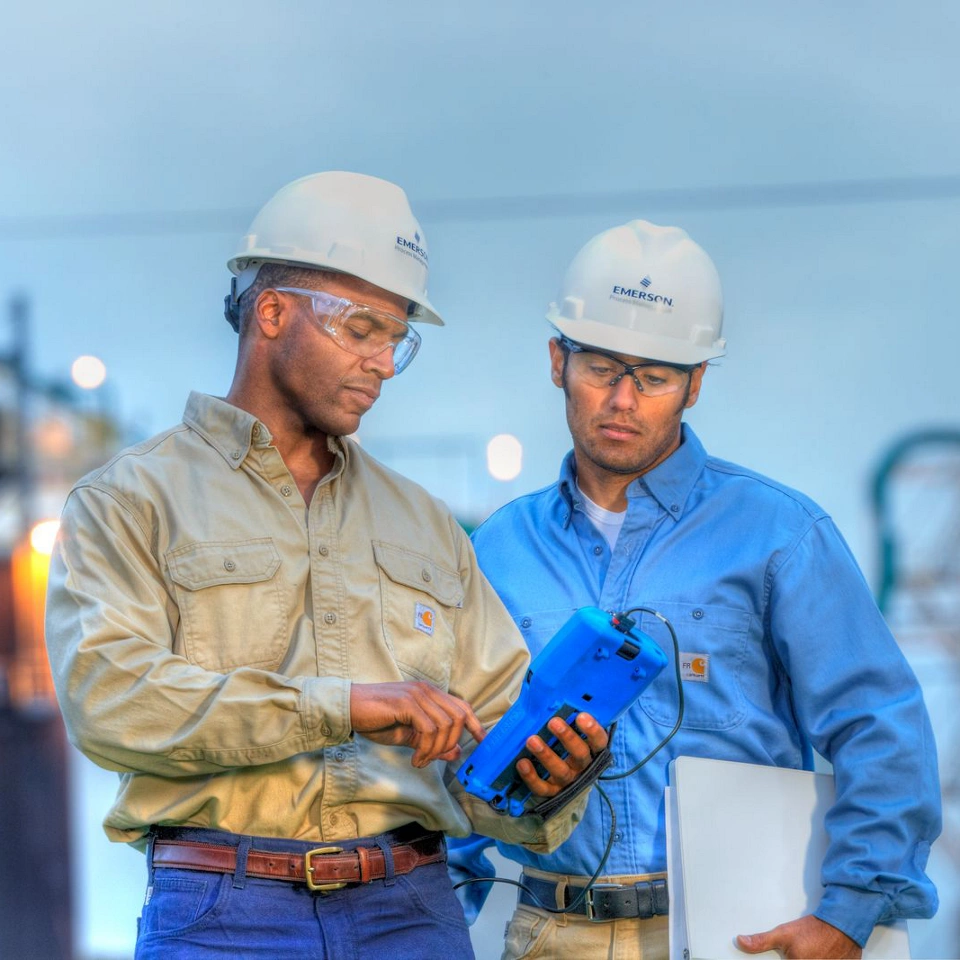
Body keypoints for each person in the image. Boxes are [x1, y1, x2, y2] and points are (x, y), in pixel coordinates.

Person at [44, 171, 608, 960]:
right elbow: (112, 699)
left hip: (411, 910)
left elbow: (490, 748)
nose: (381, 362)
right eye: (362, 328)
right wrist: (345, 705)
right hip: (220, 914)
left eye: (397, 339)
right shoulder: (128, 501)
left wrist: (545, 777)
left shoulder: (425, 524)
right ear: (272, 312)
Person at [447, 219, 941, 960]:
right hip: (552, 933)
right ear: (558, 359)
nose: (622, 398)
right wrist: (439, 920)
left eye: (654, 376)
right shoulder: (497, 551)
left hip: (738, 932)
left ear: (696, 384)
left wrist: (850, 912)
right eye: (602, 367)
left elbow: (879, 724)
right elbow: (454, 756)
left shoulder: (779, 534)